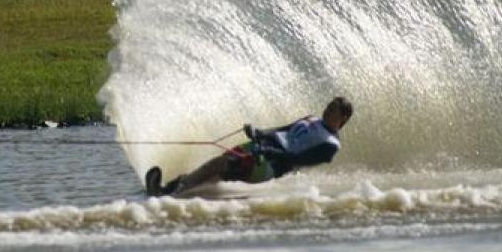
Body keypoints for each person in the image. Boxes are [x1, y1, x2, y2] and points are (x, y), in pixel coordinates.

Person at [145, 96, 353, 197]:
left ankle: (169, 194)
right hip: (262, 147)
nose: (327, 111)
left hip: (271, 164)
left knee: (223, 164)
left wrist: (270, 151)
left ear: (343, 118)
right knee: (215, 170)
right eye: (328, 106)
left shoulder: (330, 145)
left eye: (333, 110)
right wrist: (259, 132)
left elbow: (296, 161)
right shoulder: (311, 119)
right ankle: (173, 192)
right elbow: (282, 129)